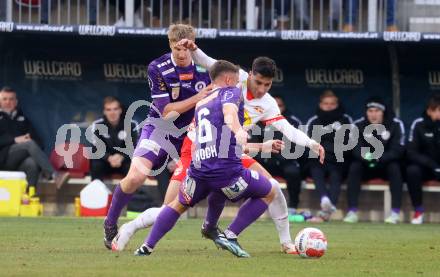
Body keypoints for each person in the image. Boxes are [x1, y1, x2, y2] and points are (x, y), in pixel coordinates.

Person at [111, 40, 324, 254]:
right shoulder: (233, 79)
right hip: (196, 150)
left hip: (228, 153)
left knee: (273, 188)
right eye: (258, 82)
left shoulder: (268, 104)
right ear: (249, 74)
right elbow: (210, 63)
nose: (261, 89)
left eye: (267, 85)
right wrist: (194, 49)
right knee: (172, 206)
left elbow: (287, 129)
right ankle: (131, 226)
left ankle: (284, 243)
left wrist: (312, 143)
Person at [134, 60, 277, 257]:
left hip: (198, 170)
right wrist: (238, 130)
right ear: (228, 79)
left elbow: (221, 141)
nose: (238, 85)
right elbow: (229, 113)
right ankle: (230, 234)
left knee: (177, 205)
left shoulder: (201, 103)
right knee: (270, 190)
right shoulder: (231, 91)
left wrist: (262, 146)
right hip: (226, 172)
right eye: (236, 81)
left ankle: (146, 246)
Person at [103, 24, 212, 249]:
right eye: (176, 48)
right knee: (135, 177)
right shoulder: (158, 67)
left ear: (192, 46)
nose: (181, 54)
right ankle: (110, 222)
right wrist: (198, 97)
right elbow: (166, 111)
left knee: (171, 204)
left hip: (190, 135)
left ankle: (134, 229)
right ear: (170, 44)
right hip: (159, 128)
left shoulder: (206, 69)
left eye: (185, 49)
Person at [343, 97, 405, 224]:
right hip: (365, 164)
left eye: (377, 111)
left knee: (395, 167)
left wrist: (379, 157)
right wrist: (367, 156)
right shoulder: (358, 125)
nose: (373, 114)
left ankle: (395, 213)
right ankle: (352, 211)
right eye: (370, 111)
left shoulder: (395, 124)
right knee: (355, 167)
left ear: (383, 112)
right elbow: (355, 147)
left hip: (385, 165)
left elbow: (398, 150)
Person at [0, 86, 70, 190]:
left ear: (16, 101)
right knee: (29, 144)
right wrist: (15, 140)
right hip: (3, 157)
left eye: (11, 99)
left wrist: (29, 140)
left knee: (32, 163)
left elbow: (38, 141)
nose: (8, 102)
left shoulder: (22, 118)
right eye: (4, 99)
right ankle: (54, 175)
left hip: (18, 160)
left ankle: (29, 197)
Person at [250, 95, 305, 219]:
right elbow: (252, 147)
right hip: (264, 161)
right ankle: (256, 209)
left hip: (286, 160)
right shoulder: (256, 121)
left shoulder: (292, 121)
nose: (277, 108)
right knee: (251, 173)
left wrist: (284, 156)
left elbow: (300, 147)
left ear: (284, 107)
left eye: (280, 105)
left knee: (293, 172)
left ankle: (292, 207)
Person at [306, 90, 352, 222]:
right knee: (315, 167)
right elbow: (311, 142)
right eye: (326, 103)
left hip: (338, 160)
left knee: (335, 173)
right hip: (319, 159)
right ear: (320, 104)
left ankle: (326, 211)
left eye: (332, 103)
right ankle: (324, 199)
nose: (329, 106)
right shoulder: (314, 120)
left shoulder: (345, 119)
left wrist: (325, 143)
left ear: (337, 104)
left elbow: (348, 143)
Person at [406, 94, 440, 225]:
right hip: (426, 167)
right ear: (430, 110)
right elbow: (411, 152)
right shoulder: (419, 124)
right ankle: (418, 211)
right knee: (412, 171)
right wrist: (432, 165)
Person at [90, 96, 139, 181]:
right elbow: (96, 148)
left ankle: (133, 193)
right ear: (104, 112)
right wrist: (109, 158)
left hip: (124, 161)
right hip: (105, 161)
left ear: (120, 110)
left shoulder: (132, 125)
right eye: (108, 110)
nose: (112, 113)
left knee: (133, 165)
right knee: (96, 165)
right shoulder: (97, 125)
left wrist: (121, 157)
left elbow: (134, 147)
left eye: (115, 109)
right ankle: (96, 193)